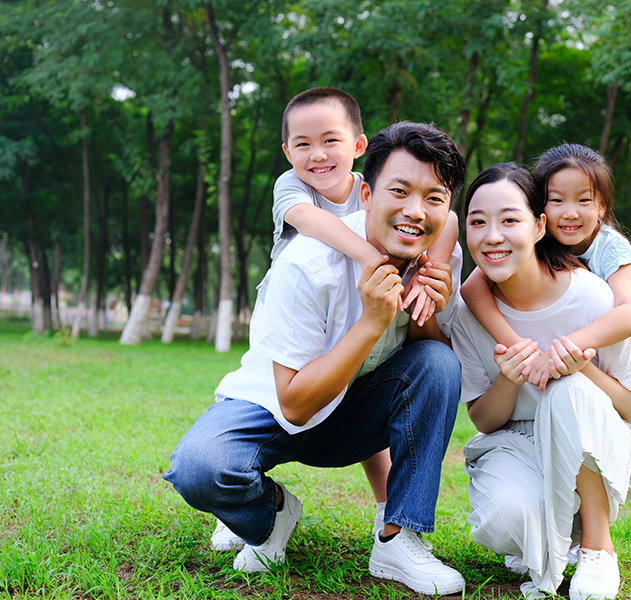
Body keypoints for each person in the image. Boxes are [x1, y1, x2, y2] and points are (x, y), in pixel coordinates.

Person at [164, 121, 467, 596]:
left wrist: (428, 308)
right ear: (366, 194)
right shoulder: (307, 263)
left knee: (438, 361)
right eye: (400, 191)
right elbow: (295, 404)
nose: (416, 211)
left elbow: (433, 371)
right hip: (274, 410)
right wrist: (370, 322)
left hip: (354, 416)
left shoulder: (435, 257)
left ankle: (398, 537)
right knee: (200, 467)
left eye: (434, 197)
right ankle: (272, 513)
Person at [450, 163, 631, 599]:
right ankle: (552, 537)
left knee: (566, 389)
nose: (492, 236)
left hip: (601, 442)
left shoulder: (595, 295)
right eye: (477, 222)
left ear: (539, 225)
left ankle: (597, 547)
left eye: (510, 220)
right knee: (500, 521)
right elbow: (485, 422)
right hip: (518, 441)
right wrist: (508, 380)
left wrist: (579, 366)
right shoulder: (470, 309)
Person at [461, 144, 631, 391]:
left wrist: (560, 351)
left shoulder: (611, 247)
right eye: (556, 200)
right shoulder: (530, 240)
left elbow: (630, 315)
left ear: (601, 206)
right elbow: (472, 288)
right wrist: (519, 348)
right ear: (539, 209)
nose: (570, 213)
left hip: (605, 358)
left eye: (584, 200)